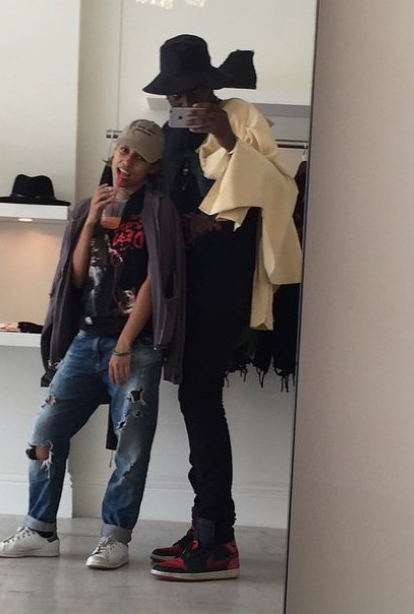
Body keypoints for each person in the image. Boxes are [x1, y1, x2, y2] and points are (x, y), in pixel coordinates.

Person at [0, 119, 185, 570]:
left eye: (139, 156)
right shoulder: (88, 207)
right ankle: (40, 530)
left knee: (131, 446)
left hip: (136, 345)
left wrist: (125, 343)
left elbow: (156, 283)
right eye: (123, 150)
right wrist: (91, 221)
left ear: (153, 167)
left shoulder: (159, 212)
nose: (127, 161)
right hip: (86, 337)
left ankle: (114, 538)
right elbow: (75, 279)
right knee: (44, 432)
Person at [143, 35, 302, 581]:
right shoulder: (169, 132)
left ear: (208, 86)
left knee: (200, 398)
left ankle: (216, 537)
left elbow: (278, 192)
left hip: (222, 287)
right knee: (195, 399)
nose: (182, 102)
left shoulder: (240, 117)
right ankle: (206, 528)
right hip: (181, 289)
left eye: (190, 91)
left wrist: (227, 137)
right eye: (174, 94)